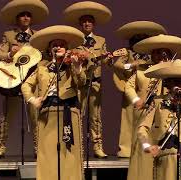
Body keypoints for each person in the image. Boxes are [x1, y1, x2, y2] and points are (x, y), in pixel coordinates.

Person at [22, 25, 87, 180]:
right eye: (54, 45)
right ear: (50, 49)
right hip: (47, 113)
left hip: (68, 112)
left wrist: (77, 67)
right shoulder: (41, 68)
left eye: (62, 45)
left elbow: (81, 83)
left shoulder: (72, 65)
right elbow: (26, 85)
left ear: (67, 49)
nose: (58, 47)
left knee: (70, 153)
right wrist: (32, 99)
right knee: (47, 153)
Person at [0, 0, 49, 158]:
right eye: (22, 15)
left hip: (32, 79)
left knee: (35, 115)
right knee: (7, 115)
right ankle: (0, 147)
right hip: (13, 78)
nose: (25, 18)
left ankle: (38, 148)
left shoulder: (38, 36)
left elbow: (44, 57)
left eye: (28, 15)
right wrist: (10, 53)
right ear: (17, 19)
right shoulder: (9, 35)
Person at [125, 34, 181, 180]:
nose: (158, 55)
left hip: (180, 148)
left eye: (162, 52)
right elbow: (129, 86)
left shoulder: (172, 68)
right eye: (156, 52)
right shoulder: (142, 71)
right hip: (149, 115)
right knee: (144, 154)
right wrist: (136, 100)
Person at [63, 1, 112, 158]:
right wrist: (78, 57)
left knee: (95, 117)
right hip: (79, 83)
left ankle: (97, 146)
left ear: (94, 23)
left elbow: (105, 61)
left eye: (89, 21)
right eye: (84, 21)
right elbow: (69, 58)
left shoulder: (101, 40)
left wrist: (108, 58)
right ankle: (77, 146)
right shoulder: (75, 39)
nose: (86, 23)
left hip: (95, 82)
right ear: (80, 24)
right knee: (77, 114)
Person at [114, 21, 167, 158]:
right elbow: (118, 65)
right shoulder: (126, 52)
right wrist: (131, 66)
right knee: (129, 121)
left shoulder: (150, 55)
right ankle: (126, 149)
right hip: (133, 87)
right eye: (138, 36)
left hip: (150, 90)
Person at [138, 58, 181, 180]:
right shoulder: (158, 101)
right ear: (167, 83)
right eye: (175, 81)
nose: (179, 85)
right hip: (165, 156)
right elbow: (142, 128)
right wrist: (147, 146)